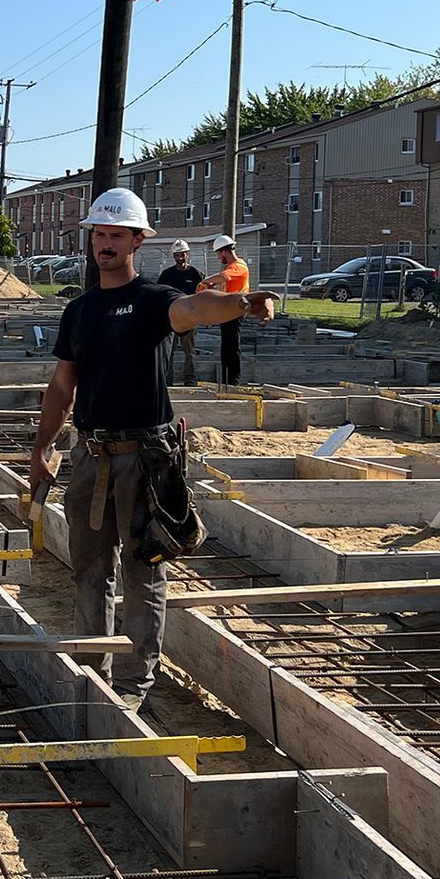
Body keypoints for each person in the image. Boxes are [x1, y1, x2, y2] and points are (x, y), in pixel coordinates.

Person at [29, 189, 277, 704]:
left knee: (144, 572)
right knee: (90, 571)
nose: (105, 244)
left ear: (138, 240)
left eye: (117, 235)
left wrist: (240, 303)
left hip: (144, 460)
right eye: (99, 233)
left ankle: (133, 686)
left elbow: (193, 307)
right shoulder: (78, 310)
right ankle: (91, 671)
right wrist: (41, 449)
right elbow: (61, 386)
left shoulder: (152, 300)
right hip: (90, 457)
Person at [200, 235, 251, 385]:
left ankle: (233, 381)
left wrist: (205, 281)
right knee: (226, 347)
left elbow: (223, 277)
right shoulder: (232, 267)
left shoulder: (239, 266)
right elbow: (226, 284)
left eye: (218, 253)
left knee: (232, 346)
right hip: (228, 312)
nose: (218, 257)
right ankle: (227, 380)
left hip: (235, 312)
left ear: (224, 251)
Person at [155, 238, 203, 384]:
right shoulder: (167, 275)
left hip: (190, 318)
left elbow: (202, 294)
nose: (180, 258)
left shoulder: (196, 274)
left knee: (190, 351)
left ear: (187, 254)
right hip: (171, 319)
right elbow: (159, 294)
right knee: (169, 350)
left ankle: (189, 379)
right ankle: (167, 379)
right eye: (177, 255)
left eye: (182, 254)